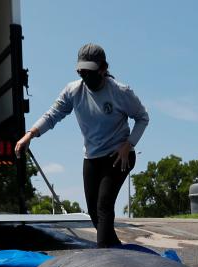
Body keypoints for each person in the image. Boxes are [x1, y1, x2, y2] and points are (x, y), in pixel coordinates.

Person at [16, 43, 149, 248]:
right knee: (95, 213)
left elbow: (142, 117)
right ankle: (118, 253)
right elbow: (53, 115)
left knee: (104, 205)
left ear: (103, 69)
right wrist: (30, 134)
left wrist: (129, 144)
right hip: (92, 157)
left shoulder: (120, 92)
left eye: (89, 72)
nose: (85, 77)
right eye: (81, 72)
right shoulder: (73, 91)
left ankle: (105, 263)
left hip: (118, 155)